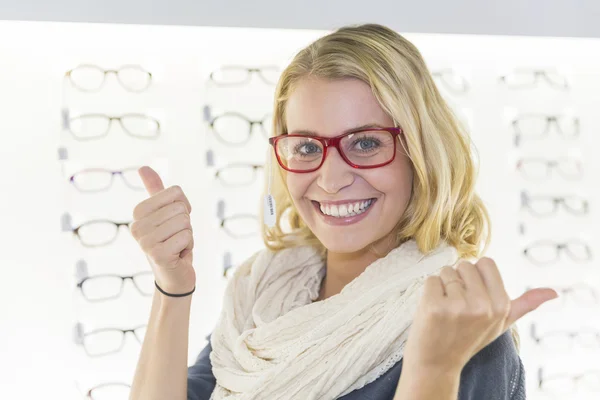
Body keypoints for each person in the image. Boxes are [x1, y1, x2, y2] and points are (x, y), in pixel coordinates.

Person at [128, 23, 558, 400]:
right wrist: (172, 288)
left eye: (366, 143)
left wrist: (433, 369)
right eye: (307, 147)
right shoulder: (263, 300)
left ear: (421, 152)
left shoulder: (463, 331)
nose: (331, 179)